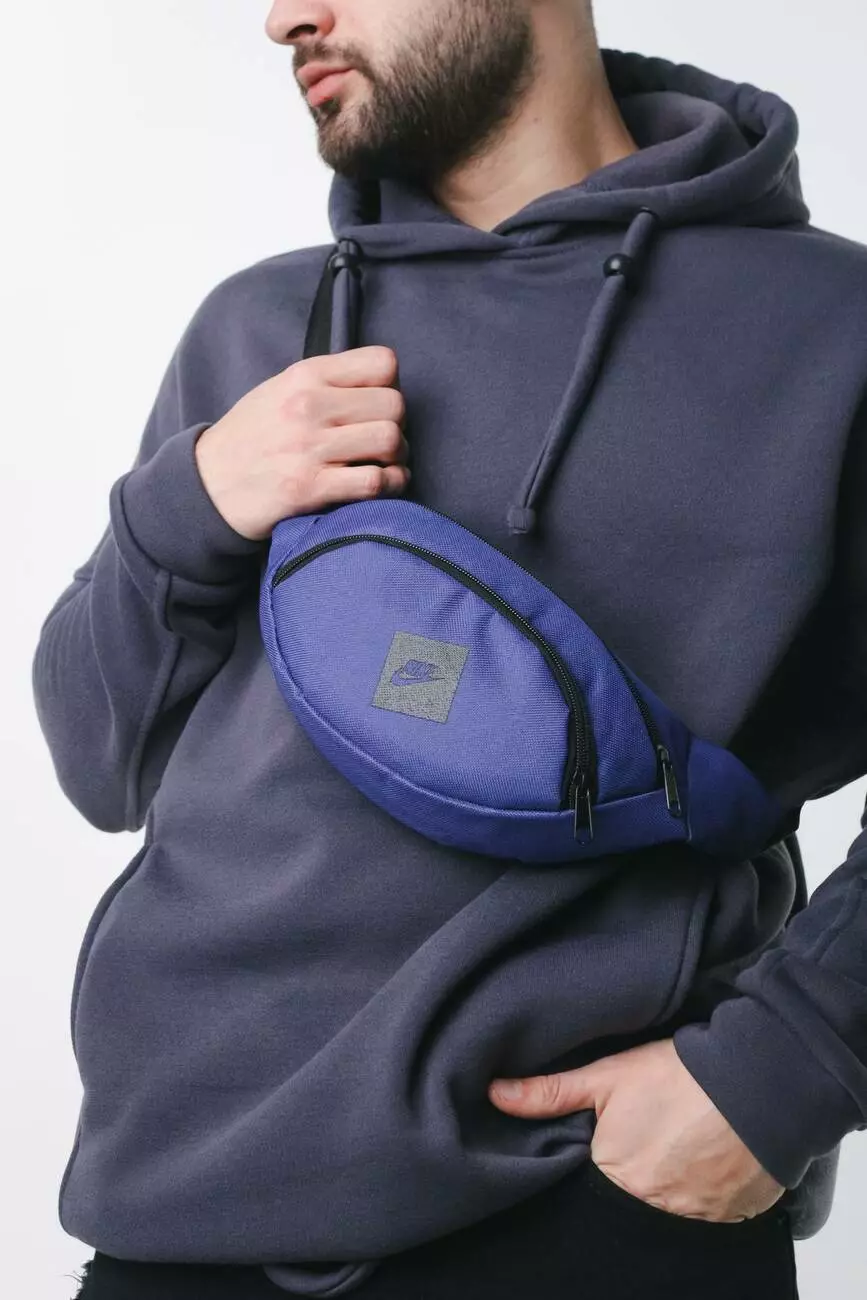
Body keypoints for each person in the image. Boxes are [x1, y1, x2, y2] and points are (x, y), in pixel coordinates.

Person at [35, 0, 867, 1296]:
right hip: (172, 1217)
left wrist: (784, 1068)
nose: (285, 17)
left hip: (587, 1218)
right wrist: (187, 503)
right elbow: (100, 762)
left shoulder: (828, 328)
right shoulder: (261, 323)